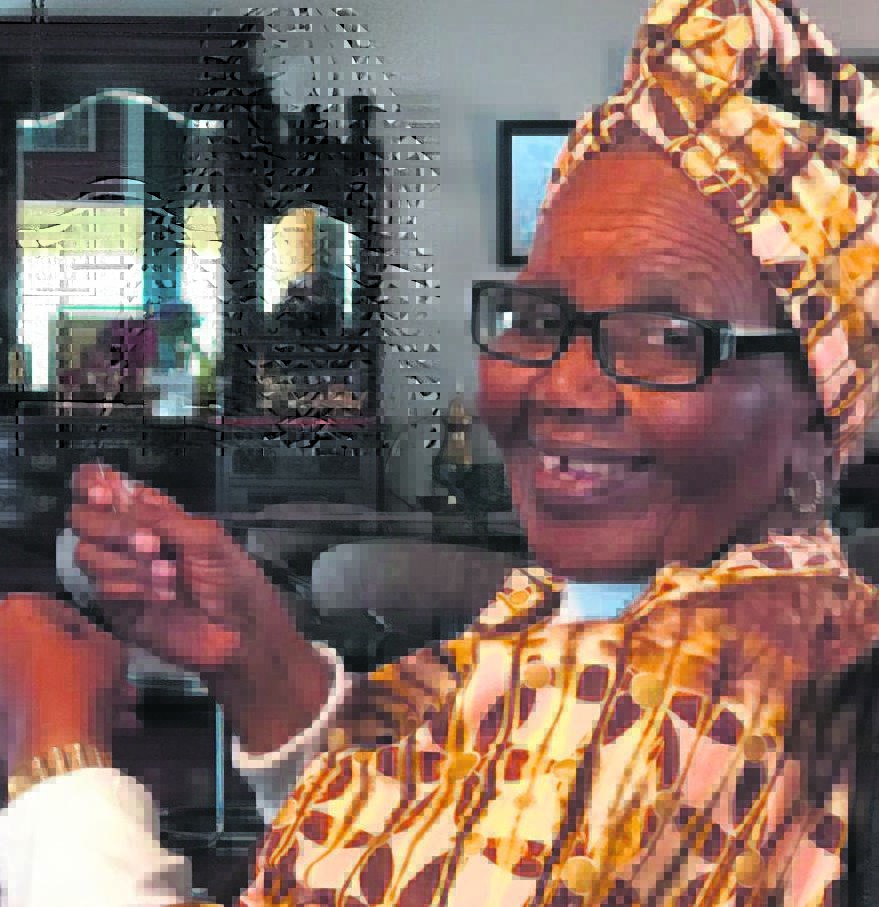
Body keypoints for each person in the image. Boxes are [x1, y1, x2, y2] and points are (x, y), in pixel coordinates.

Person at [3, 0, 879, 903]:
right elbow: (423, 842)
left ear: (817, 413)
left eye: (664, 334)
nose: (564, 386)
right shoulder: (591, 614)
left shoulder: (709, 701)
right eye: (538, 316)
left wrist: (56, 755)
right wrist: (258, 655)